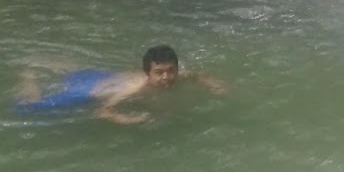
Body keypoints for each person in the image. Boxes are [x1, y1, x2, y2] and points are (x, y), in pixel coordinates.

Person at [15, 45, 226, 124]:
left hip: (104, 76)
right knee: (30, 107)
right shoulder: (136, 88)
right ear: (147, 74)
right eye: (159, 73)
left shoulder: (178, 76)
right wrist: (126, 119)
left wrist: (214, 85)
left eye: (171, 71)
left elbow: (198, 75)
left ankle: (48, 63)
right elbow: (103, 110)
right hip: (89, 90)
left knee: (72, 72)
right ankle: (28, 75)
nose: (166, 78)